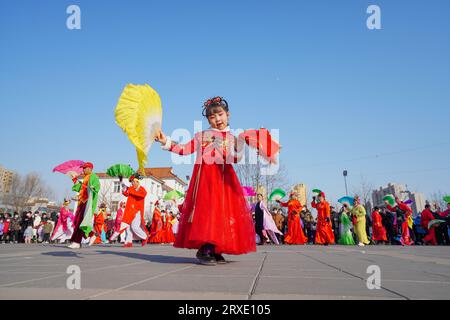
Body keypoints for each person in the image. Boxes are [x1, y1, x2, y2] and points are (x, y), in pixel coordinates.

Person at [155, 96, 257, 265]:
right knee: (209, 213)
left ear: (228, 115)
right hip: (206, 181)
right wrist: (166, 141)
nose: (217, 119)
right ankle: (205, 249)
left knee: (224, 214)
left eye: (220, 114)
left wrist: (242, 144)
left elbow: (235, 159)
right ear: (208, 119)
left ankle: (216, 248)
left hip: (225, 180)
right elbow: (183, 150)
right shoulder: (202, 136)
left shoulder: (232, 137)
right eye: (212, 116)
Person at [68, 162, 101, 249]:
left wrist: (94, 187)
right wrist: (74, 180)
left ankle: (77, 242)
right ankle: (91, 234)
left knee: (80, 221)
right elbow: (82, 189)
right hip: (82, 202)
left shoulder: (93, 176)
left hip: (87, 203)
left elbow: (96, 186)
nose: (83, 170)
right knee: (77, 222)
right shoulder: (86, 178)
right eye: (83, 168)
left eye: (84, 168)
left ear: (90, 168)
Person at [110, 174, 149, 247]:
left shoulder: (142, 189)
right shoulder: (131, 188)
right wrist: (121, 181)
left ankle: (145, 237)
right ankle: (128, 242)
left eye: (133, 182)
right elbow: (125, 192)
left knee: (134, 226)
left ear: (137, 182)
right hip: (130, 210)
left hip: (137, 211)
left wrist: (131, 191)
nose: (132, 183)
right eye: (131, 182)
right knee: (128, 227)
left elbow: (142, 195)